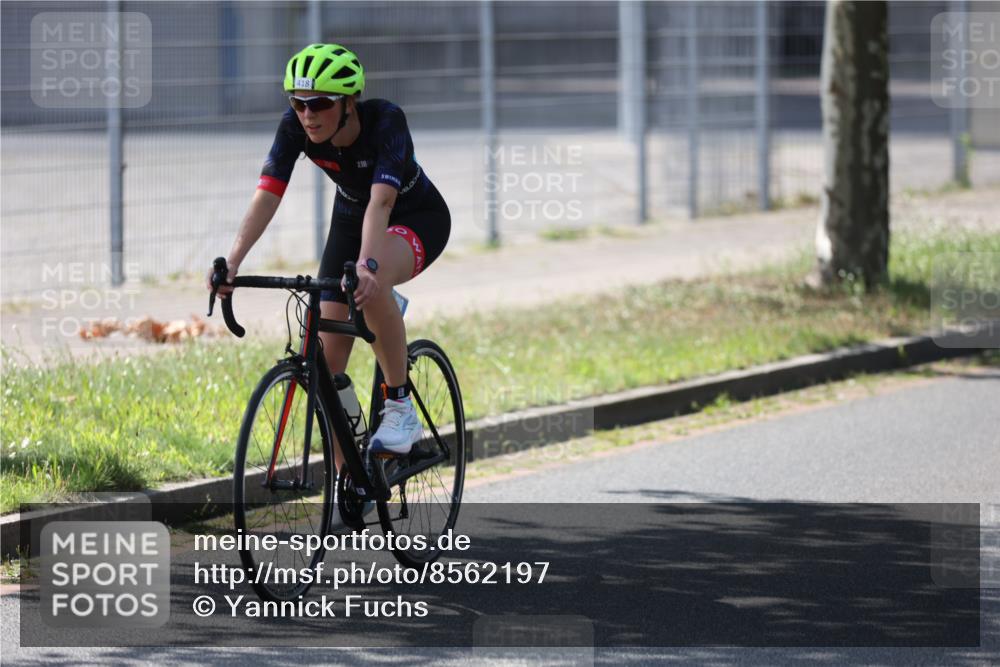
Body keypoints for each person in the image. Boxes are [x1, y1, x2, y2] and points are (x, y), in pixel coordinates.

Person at [208, 43, 451, 460]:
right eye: (298, 103)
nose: (308, 115)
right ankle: (349, 482)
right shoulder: (295, 128)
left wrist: (369, 266)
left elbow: (382, 203)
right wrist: (232, 262)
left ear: (349, 102)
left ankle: (399, 406)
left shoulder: (386, 121)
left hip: (413, 216)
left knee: (369, 287)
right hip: (351, 219)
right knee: (325, 365)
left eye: (319, 103)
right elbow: (267, 193)